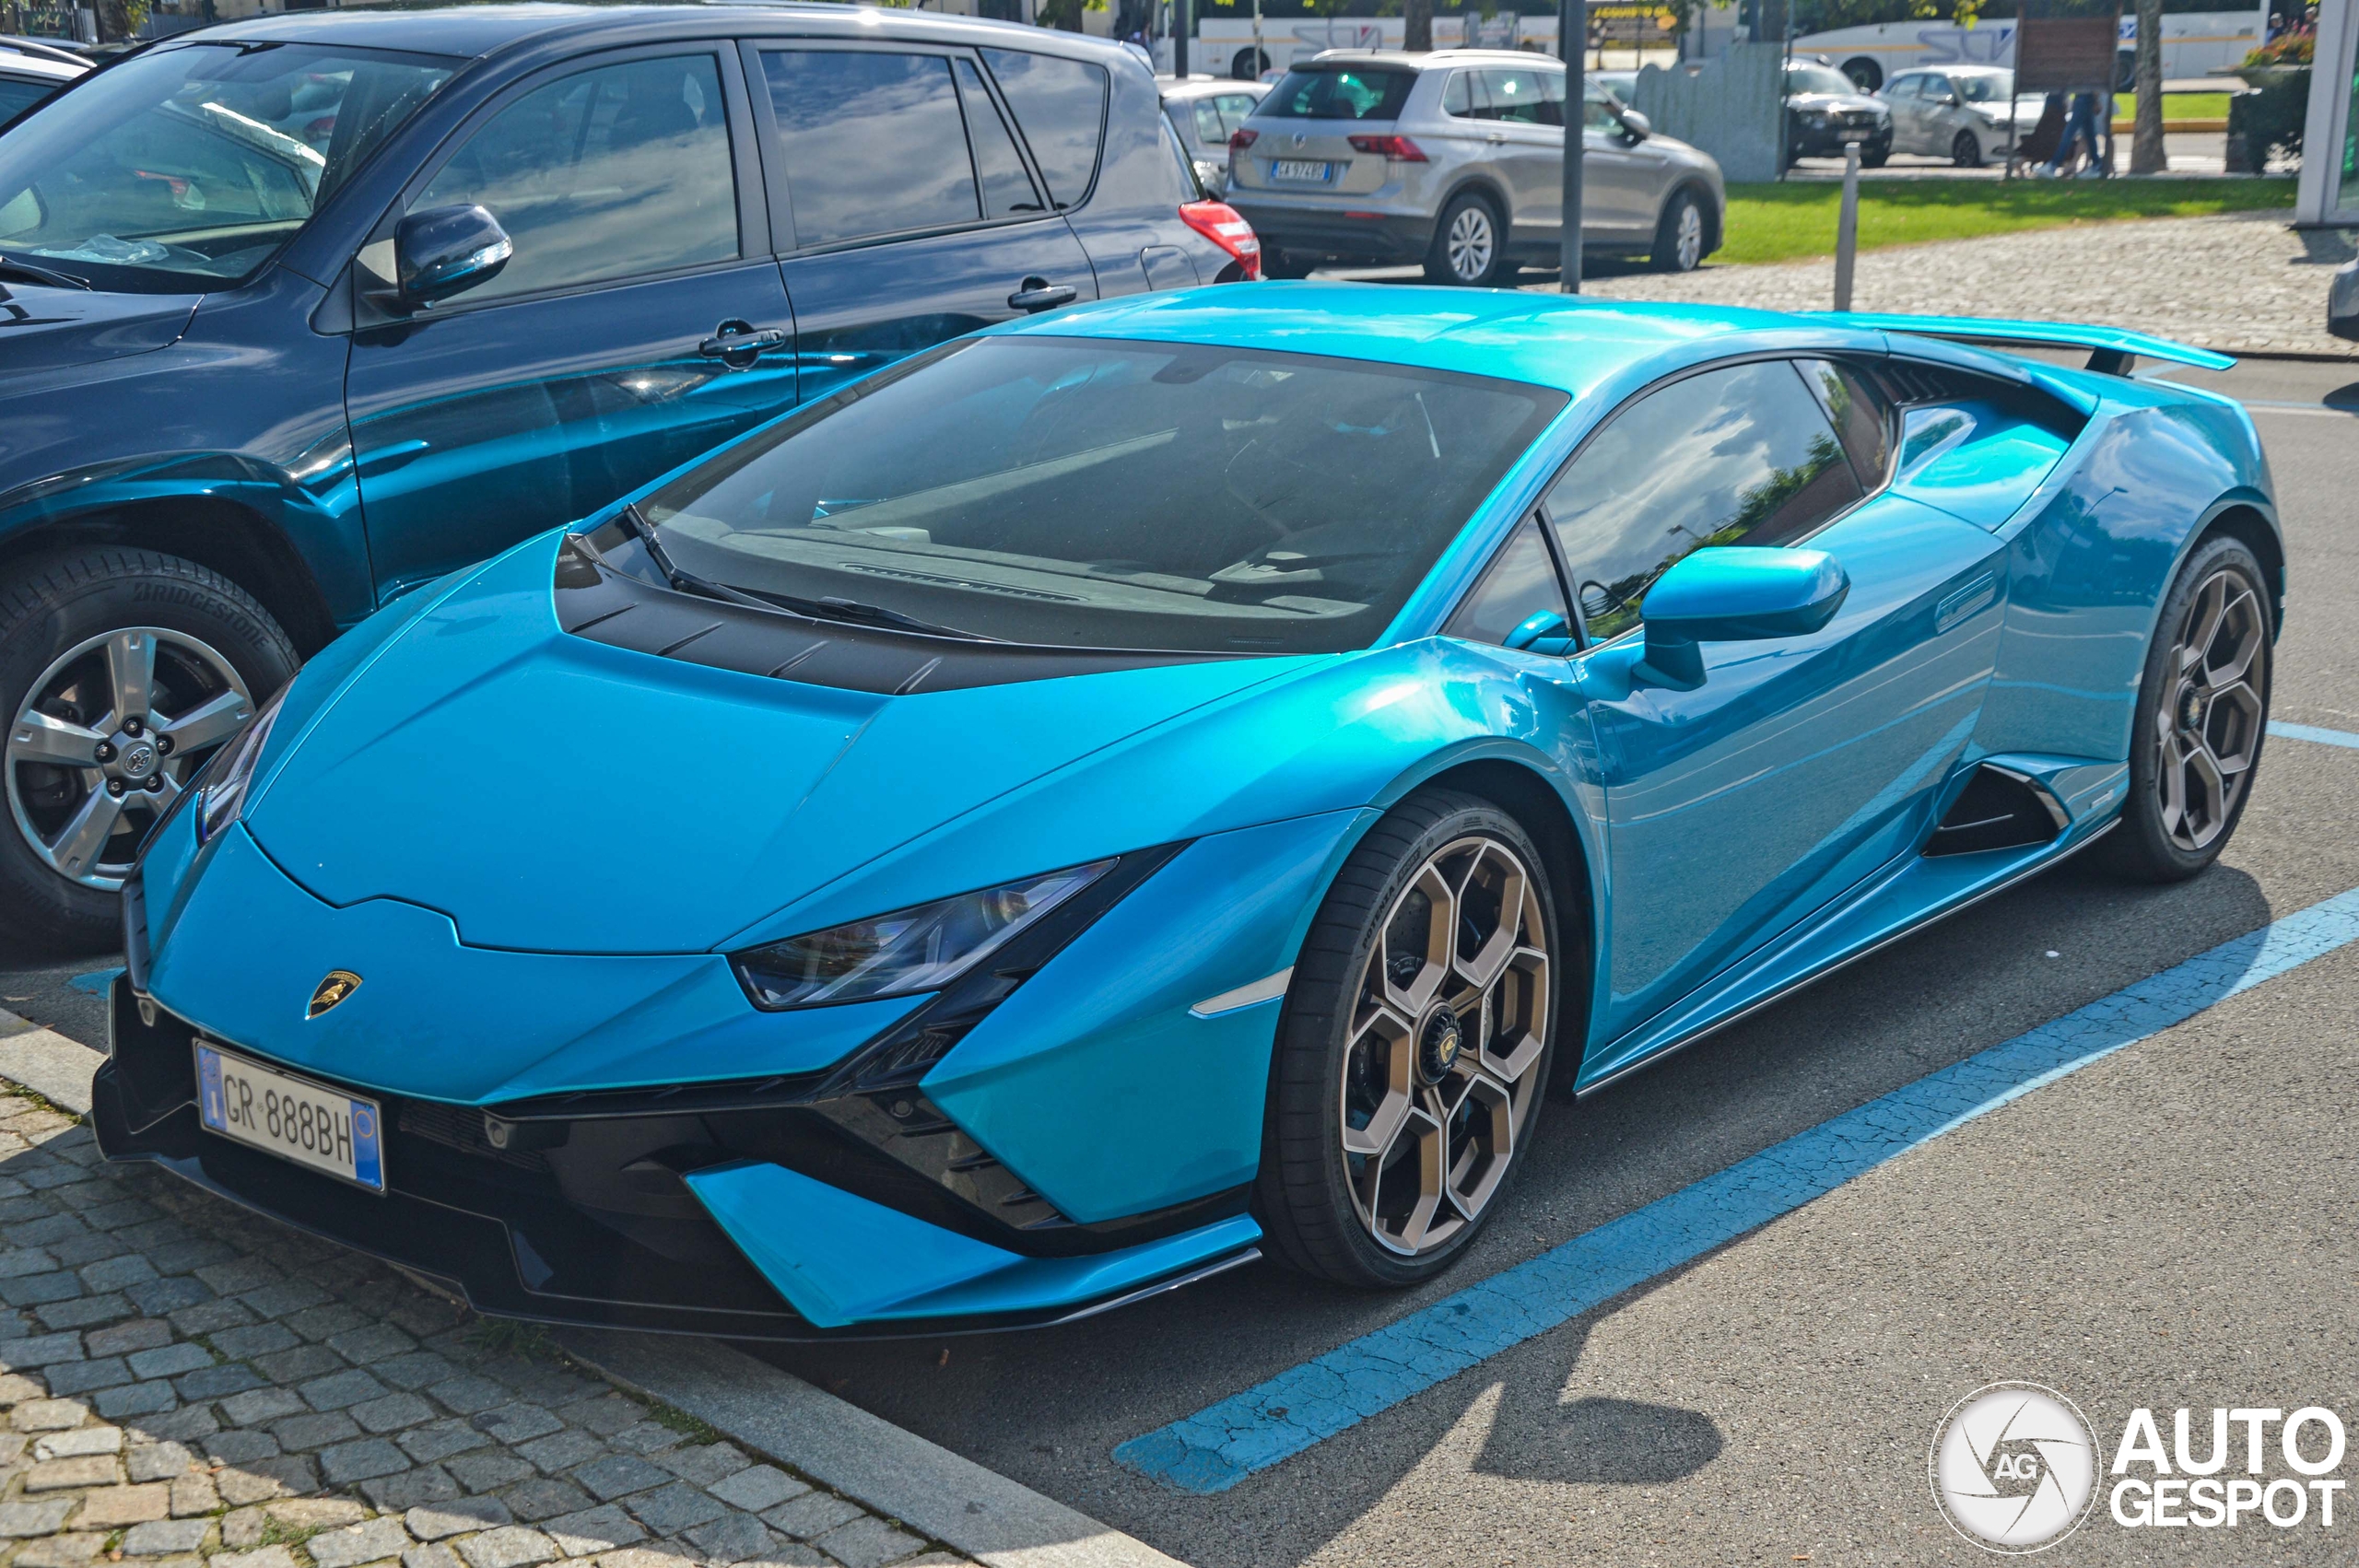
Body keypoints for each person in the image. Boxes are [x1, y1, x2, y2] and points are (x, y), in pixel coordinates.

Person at [2043, 88, 2105, 176]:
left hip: (2082, 97)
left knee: (2069, 132)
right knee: (2089, 134)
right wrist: (2096, 100)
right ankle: (2096, 165)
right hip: (2086, 98)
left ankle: (2054, 164)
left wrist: (2096, 100)